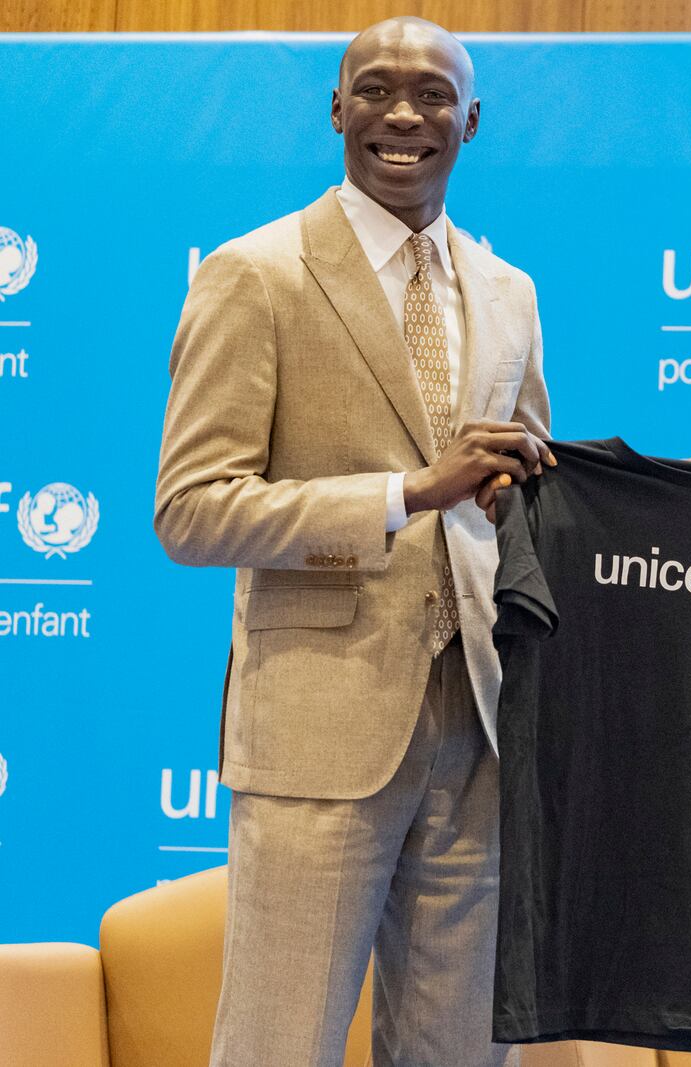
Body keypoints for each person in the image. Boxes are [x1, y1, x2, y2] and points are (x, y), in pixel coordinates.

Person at [153, 18, 550, 1066]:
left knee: (463, 1048)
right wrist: (404, 493)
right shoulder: (256, 273)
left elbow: (524, 495)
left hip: (480, 727)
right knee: (279, 1043)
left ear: (473, 120)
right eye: (376, 90)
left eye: (432, 95)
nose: (404, 115)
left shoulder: (509, 292)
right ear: (338, 111)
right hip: (319, 727)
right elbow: (192, 508)